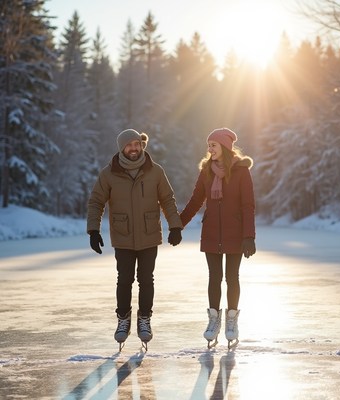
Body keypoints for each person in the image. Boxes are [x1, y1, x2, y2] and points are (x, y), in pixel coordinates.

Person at [87, 129, 183, 350]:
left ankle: (144, 319)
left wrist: (175, 225)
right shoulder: (109, 173)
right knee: (124, 279)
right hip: (123, 235)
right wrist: (93, 230)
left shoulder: (155, 171)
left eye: (137, 144)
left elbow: (167, 199)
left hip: (149, 234)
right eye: (129, 145)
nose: (134, 148)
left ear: (142, 145)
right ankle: (123, 319)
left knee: (146, 279)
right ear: (122, 148)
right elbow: (96, 202)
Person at [180, 127, 256, 348]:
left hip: (235, 233)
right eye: (208, 145)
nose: (209, 148)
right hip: (212, 232)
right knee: (214, 277)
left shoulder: (241, 172)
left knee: (232, 277)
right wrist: (178, 224)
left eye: (213, 145)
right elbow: (196, 201)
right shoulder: (206, 171)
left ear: (223, 147)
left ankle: (231, 322)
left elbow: (248, 205)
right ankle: (214, 322)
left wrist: (249, 236)